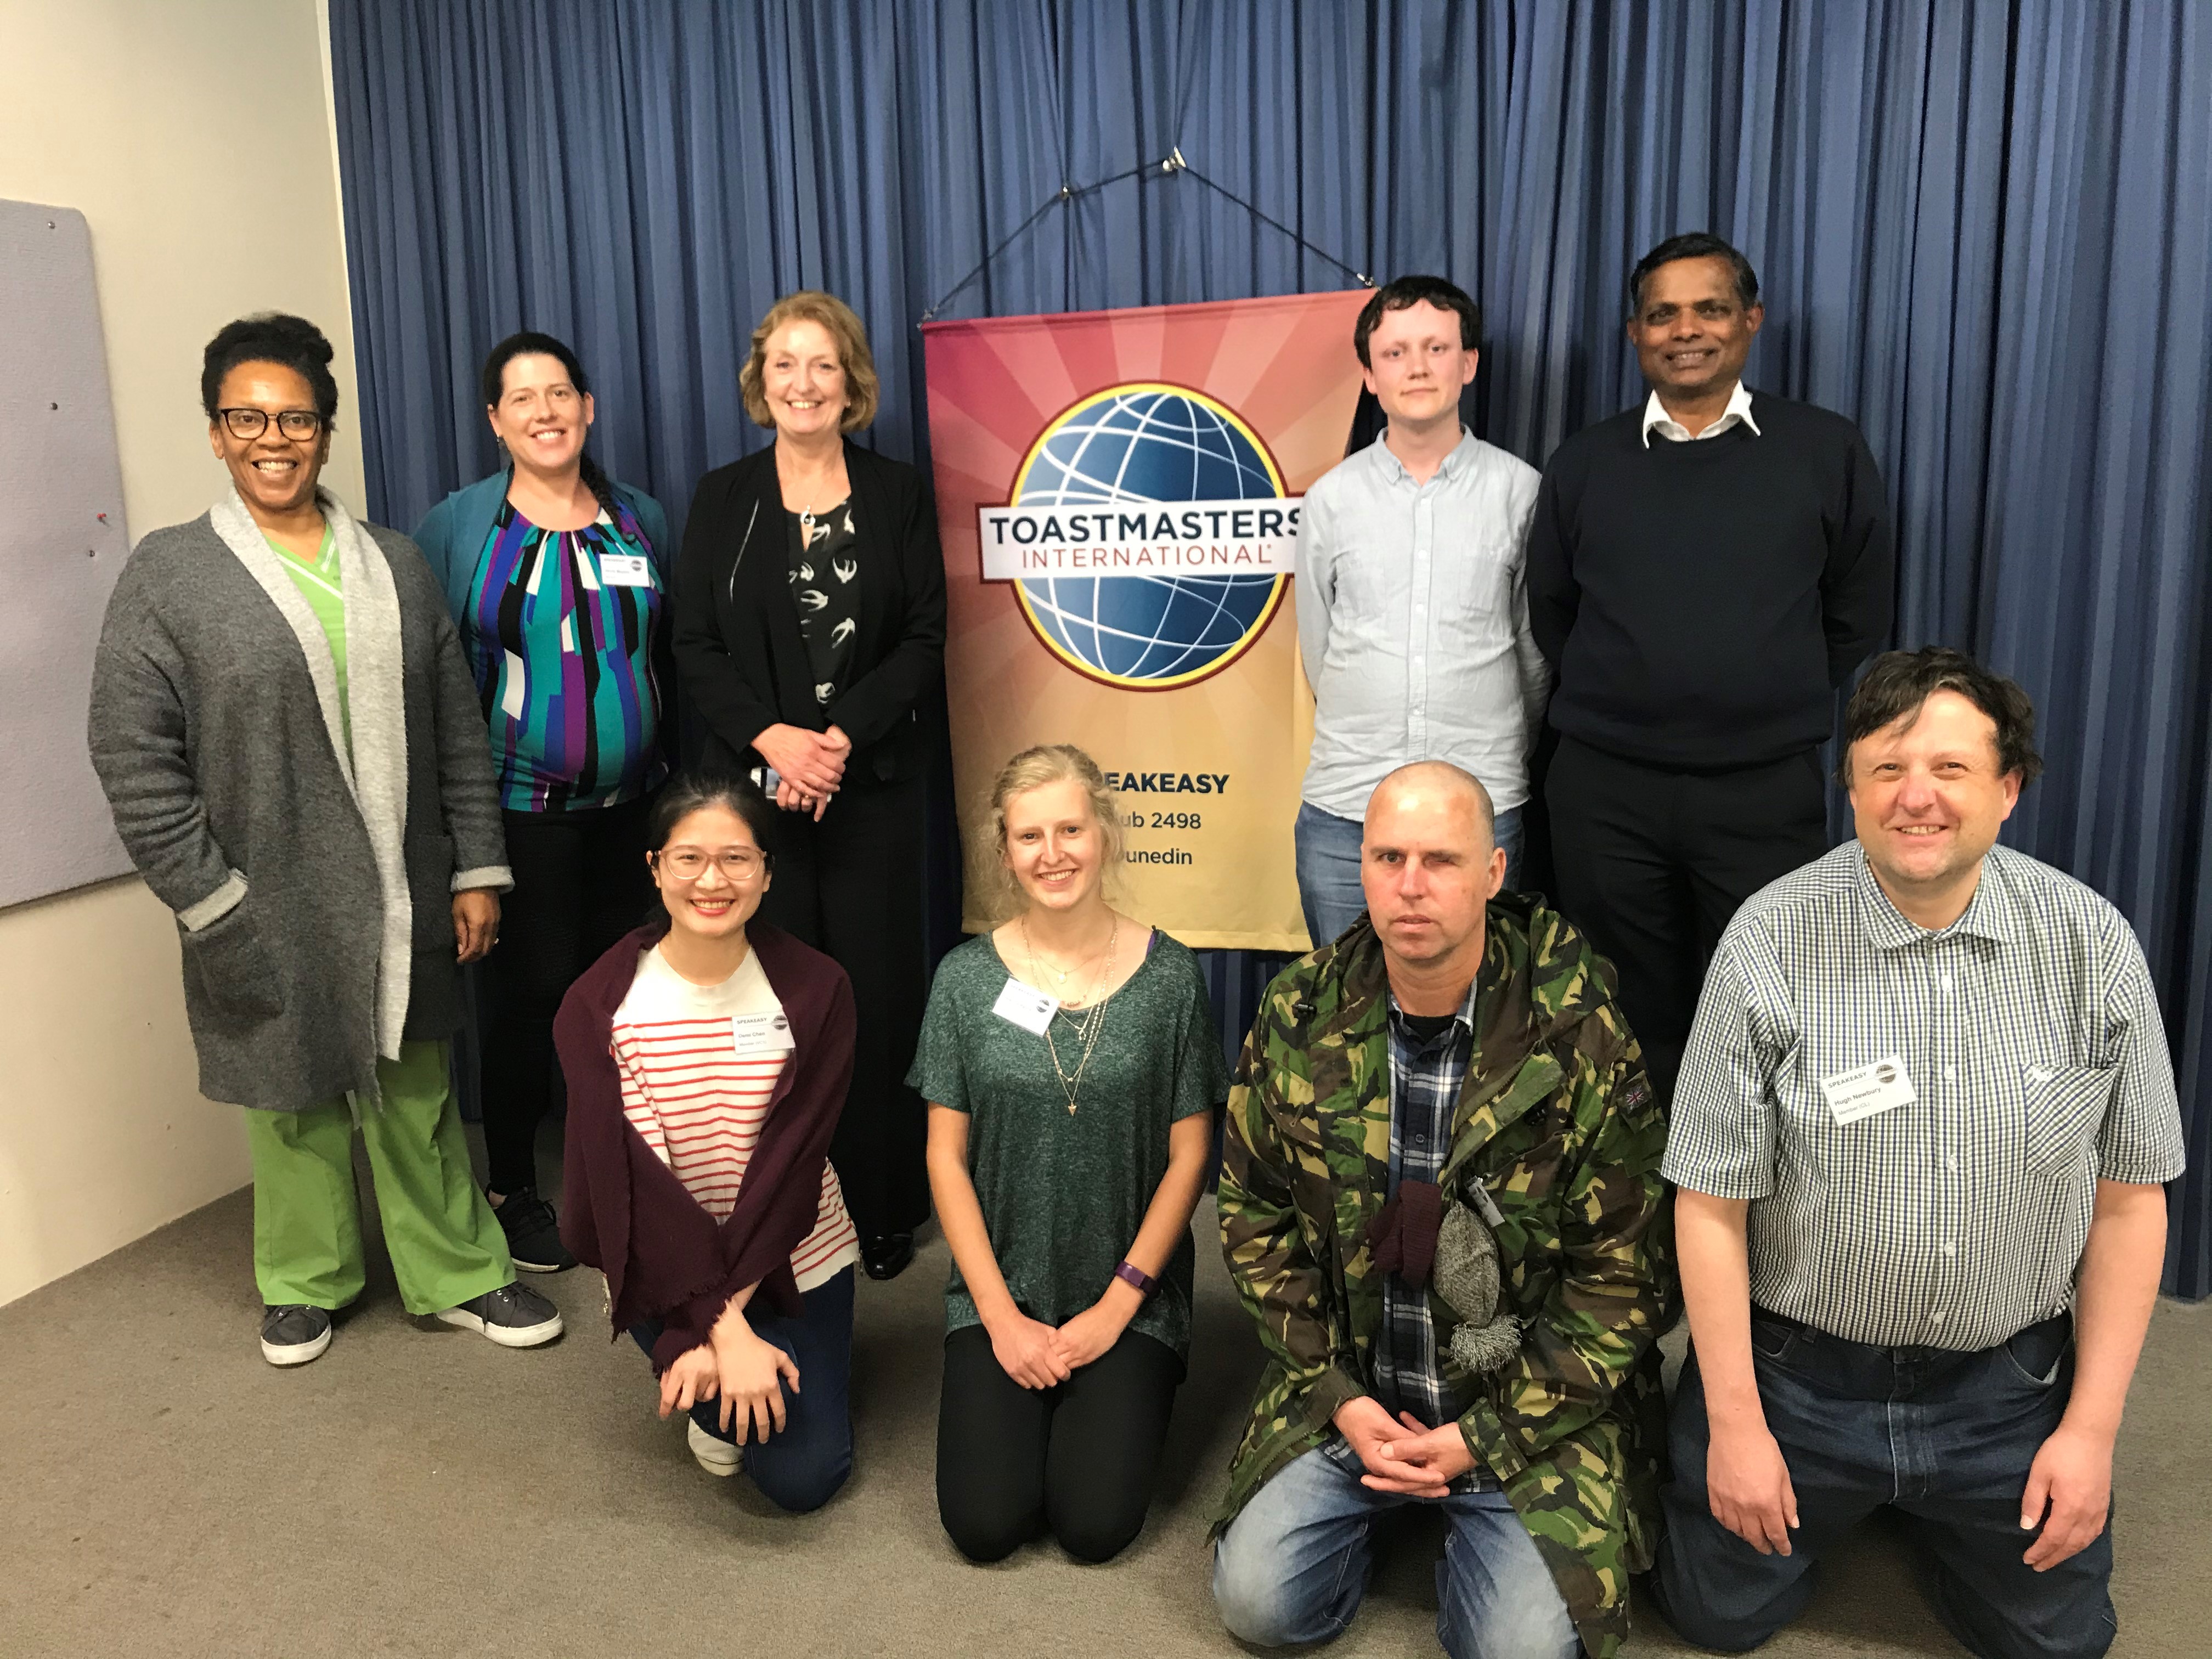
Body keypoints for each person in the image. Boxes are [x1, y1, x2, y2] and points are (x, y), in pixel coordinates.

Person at [1651, 648, 2186, 1659]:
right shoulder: (1765, 941)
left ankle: (1922, 1506)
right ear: (1848, 787)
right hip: (1798, 1378)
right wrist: (1736, 1424)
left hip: (2006, 1386)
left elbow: (2128, 1200)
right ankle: (1867, 1495)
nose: (1916, 798)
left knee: (2062, 1644)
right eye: (1886, 768)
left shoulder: (2093, 946)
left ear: (2008, 788)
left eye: (1950, 768)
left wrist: (2089, 1431)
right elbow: (1708, 1202)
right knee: (1711, 1616)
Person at [86, 313, 561, 1366]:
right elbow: (132, 755)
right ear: (215, 432)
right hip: (264, 891)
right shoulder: (168, 577)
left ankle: (458, 1268)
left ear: (327, 431)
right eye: (247, 416)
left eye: (295, 416)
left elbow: (454, 728)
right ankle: (306, 1278)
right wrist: (209, 897)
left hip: (404, 883)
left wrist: (477, 864)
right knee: (288, 1096)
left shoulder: (392, 563)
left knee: (419, 1089)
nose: (273, 435)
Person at [1212, 760, 1672, 1659]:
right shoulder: (1300, 1011)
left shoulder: (1577, 1032)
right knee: (1258, 1607)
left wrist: (1486, 1434)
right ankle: (1383, 1494)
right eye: (1388, 856)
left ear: (1494, 872)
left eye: (1440, 858)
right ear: (1361, 865)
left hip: (1526, 1408)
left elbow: (1623, 1272)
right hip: (1357, 1388)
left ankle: (1471, 1515)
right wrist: (1336, 1397)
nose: (1411, 884)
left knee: (1519, 1651)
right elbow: (1251, 1208)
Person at [1526, 232, 1894, 1098]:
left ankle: (1748, 1219)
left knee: (1771, 1009)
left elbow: (1856, 614)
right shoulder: (1585, 462)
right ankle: (1636, 1219)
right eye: (1663, 314)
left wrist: (1756, 690)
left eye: (1710, 308)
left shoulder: (1825, 451)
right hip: (1606, 795)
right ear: (1635, 334)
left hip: (1761, 792)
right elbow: (1553, 615)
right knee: (1619, 1017)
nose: (1685, 330)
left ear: (1750, 321)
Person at [675, 290, 946, 1282]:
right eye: (785, 364)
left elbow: (924, 637)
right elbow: (695, 645)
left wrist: (834, 741)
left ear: (851, 382)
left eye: (822, 364)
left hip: (869, 787)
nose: (803, 382)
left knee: (872, 1002)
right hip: (755, 799)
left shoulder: (897, 492)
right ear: (761, 382)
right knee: (773, 1004)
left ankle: (879, 1202)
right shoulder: (722, 498)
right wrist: (774, 742)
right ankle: (787, 1200)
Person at [910, 744, 1223, 1564]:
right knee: (984, 1525)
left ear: (1105, 833)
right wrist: (999, 1317)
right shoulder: (964, 981)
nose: (1053, 855)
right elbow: (945, 1158)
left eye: (1070, 830)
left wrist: (1120, 1305)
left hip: (1128, 1289)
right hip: (1002, 1284)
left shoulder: (1173, 977)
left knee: (1093, 1527)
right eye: (1029, 837)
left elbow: (1190, 1156)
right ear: (1004, 850)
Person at [411, 331, 674, 1274]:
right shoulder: (459, 528)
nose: (545, 410)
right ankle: (511, 1183)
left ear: (588, 406)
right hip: (517, 812)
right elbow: (434, 684)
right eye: (521, 398)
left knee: (626, 1000)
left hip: (634, 814)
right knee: (525, 1002)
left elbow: (671, 652)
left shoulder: (637, 517)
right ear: (494, 421)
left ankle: (617, 1174)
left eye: (559, 391)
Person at [554, 775, 858, 1512]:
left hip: (795, 1257)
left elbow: (793, 1173)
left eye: (737, 859)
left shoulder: (818, 990)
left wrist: (715, 1335)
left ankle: (747, 1365)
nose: (712, 881)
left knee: (805, 1477)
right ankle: (716, 1369)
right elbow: (631, 1193)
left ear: (767, 872)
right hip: (662, 1262)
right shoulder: (600, 1008)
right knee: (754, 1402)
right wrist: (712, 1333)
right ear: (655, 868)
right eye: (689, 859)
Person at [1294, 275, 1546, 947]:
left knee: (1484, 1007)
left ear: (1468, 364)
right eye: (1396, 352)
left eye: (1437, 348)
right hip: (1347, 807)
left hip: (1483, 802)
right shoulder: (1330, 499)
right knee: (1344, 1010)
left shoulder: (1522, 493)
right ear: (1370, 376)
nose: (1417, 367)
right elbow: (1319, 647)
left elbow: (1533, 651)